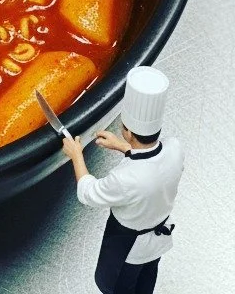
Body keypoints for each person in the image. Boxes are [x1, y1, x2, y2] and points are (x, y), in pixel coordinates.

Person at [61, 66, 185, 294]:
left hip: (127, 245)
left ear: (127, 131)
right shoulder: (175, 147)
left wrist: (76, 155)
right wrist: (121, 146)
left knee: (117, 287)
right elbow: (152, 164)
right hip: (157, 242)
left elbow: (88, 193)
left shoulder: (125, 178)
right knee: (145, 283)